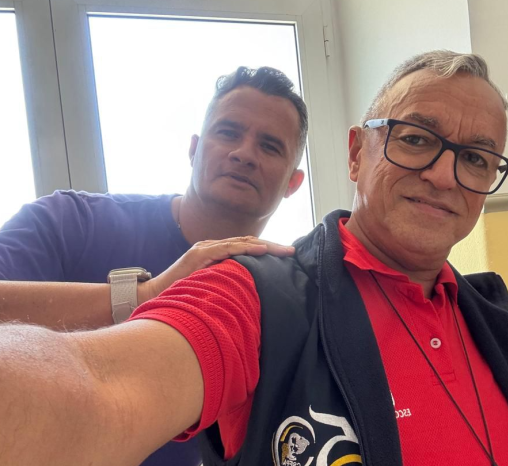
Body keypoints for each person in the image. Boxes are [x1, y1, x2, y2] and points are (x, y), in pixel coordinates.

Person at [0, 51, 508, 466]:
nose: (444, 175)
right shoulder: (255, 295)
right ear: (357, 154)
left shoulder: (500, 321)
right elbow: (97, 389)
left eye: (477, 158)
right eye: (416, 138)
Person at [0, 66, 307, 466]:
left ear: (293, 183)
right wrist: (145, 294)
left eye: (269, 146)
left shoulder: (288, 298)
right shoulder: (66, 222)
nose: (244, 154)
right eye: (229, 132)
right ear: (194, 149)